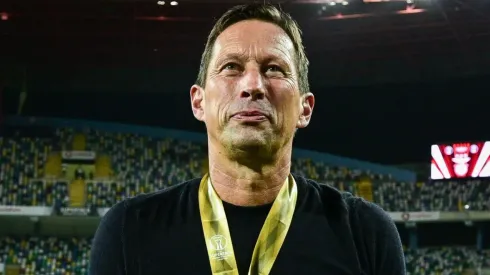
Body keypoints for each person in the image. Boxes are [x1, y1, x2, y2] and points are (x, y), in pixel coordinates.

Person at [89, 4, 405, 275]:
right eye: (231, 67)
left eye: (273, 69)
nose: (252, 85)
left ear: (304, 109)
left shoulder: (365, 233)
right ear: (198, 102)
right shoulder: (129, 230)